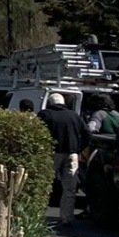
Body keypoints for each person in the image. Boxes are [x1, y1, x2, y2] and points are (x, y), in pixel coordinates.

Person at [40, 91, 88, 225]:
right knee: (70, 188)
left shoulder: (45, 115)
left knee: (44, 185)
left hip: (52, 154)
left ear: (50, 103)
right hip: (72, 154)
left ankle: (37, 216)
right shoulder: (74, 116)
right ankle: (67, 218)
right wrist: (78, 148)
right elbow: (87, 134)